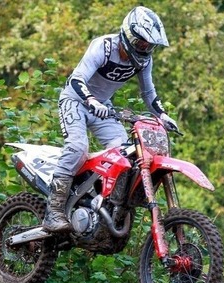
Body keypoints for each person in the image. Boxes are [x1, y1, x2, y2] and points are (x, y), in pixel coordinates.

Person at [42, 6, 179, 233]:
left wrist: (162, 115)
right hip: (75, 100)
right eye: (142, 43)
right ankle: (53, 211)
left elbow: (148, 93)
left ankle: (103, 205)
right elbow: (76, 78)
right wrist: (90, 100)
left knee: (124, 153)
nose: (145, 49)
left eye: (150, 46)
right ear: (129, 36)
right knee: (77, 147)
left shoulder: (144, 61)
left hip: (102, 107)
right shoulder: (104, 47)